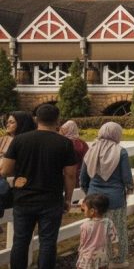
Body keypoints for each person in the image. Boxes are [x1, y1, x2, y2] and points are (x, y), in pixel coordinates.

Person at [2, 104, 77, 269]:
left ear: (36, 119)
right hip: (51, 199)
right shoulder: (64, 143)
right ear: (57, 121)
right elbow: (70, 174)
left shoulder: (20, 140)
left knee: (20, 241)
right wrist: (68, 198)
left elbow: (5, 170)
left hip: (23, 198)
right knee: (48, 242)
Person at [80, 122, 134, 268]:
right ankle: (117, 261)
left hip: (93, 200)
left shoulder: (91, 151)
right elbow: (127, 178)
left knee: (93, 233)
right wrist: (128, 191)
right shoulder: (121, 152)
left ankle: (93, 261)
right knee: (117, 230)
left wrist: (89, 193)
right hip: (115, 199)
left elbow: (83, 178)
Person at [77, 193, 118, 269]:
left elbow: (83, 243)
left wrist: (80, 252)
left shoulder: (85, 226)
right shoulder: (108, 222)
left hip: (88, 257)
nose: (83, 210)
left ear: (92, 211)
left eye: (85, 208)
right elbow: (114, 237)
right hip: (102, 255)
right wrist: (115, 248)